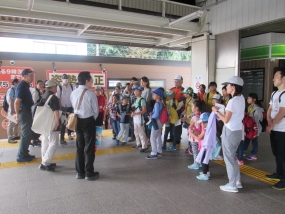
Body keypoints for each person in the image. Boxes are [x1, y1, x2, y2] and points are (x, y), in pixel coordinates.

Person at [212, 76, 245, 193]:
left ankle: (232, 184)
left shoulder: (232, 101)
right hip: (237, 131)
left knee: (229, 159)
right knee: (233, 157)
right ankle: (237, 181)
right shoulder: (242, 98)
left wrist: (216, 111)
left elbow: (226, 120)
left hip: (230, 132)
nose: (226, 87)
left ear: (233, 87)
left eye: (228, 85)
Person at [70, 71, 99, 180]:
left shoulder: (73, 93)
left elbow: (74, 106)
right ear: (87, 81)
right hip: (88, 121)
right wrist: (91, 119)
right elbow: (95, 111)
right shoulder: (90, 93)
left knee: (79, 146)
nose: (92, 82)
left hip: (77, 121)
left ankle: (79, 172)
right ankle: (89, 173)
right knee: (89, 147)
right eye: (91, 80)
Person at [266, 68, 285, 190]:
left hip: (282, 130)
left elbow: (282, 112)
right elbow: (270, 109)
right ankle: (278, 173)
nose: (273, 79)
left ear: (283, 78)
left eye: (276, 76)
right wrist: (269, 122)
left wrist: (272, 125)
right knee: (277, 153)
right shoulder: (274, 94)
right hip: (274, 129)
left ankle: (284, 179)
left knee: (283, 155)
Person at [38, 80, 60, 172]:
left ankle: (45, 161)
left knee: (45, 141)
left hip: (45, 122)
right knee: (54, 143)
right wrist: (57, 122)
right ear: (54, 87)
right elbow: (55, 110)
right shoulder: (53, 97)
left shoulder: (44, 95)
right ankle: (45, 163)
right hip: (51, 122)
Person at [14, 69, 35, 162]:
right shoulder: (22, 86)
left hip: (26, 111)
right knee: (26, 134)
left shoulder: (25, 86)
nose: (32, 78)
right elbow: (17, 102)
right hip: (24, 112)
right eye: (31, 76)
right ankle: (21, 155)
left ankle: (25, 152)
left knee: (27, 133)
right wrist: (17, 114)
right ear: (25, 76)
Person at [243, 93, 263, 161]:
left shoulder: (258, 109)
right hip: (249, 128)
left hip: (255, 128)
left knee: (254, 141)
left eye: (249, 98)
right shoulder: (249, 107)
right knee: (247, 139)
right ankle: (243, 150)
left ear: (254, 99)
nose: (248, 99)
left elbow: (256, 121)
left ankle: (253, 154)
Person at [145, 89, 164, 159]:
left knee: (152, 137)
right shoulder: (161, 103)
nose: (153, 95)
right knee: (158, 136)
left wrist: (151, 117)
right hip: (160, 122)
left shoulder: (157, 104)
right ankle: (159, 151)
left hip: (156, 121)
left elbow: (156, 114)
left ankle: (154, 153)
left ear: (158, 96)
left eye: (154, 94)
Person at [56, 74, 74, 145]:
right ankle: (62, 139)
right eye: (64, 78)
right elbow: (58, 98)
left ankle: (70, 135)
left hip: (70, 107)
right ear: (61, 79)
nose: (65, 79)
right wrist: (61, 107)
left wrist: (73, 107)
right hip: (62, 107)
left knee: (71, 122)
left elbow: (73, 97)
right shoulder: (59, 87)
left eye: (66, 78)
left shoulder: (71, 86)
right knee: (63, 124)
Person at [193, 112, 210, 180]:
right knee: (206, 160)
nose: (201, 124)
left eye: (202, 123)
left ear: (206, 123)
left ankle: (204, 174)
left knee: (204, 161)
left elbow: (199, 138)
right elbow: (201, 135)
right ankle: (207, 172)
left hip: (204, 148)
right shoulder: (209, 129)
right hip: (206, 147)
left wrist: (192, 134)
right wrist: (196, 132)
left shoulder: (205, 129)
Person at [187, 100, 204, 169]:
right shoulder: (202, 115)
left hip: (194, 137)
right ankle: (199, 163)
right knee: (199, 150)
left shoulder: (194, 117)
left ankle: (195, 164)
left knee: (195, 151)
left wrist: (189, 131)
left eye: (192, 106)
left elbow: (190, 127)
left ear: (196, 108)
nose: (191, 107)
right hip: (200, 135)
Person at [131, 86, 148, 152]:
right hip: (135, 118)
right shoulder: (135, 99)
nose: (135, 92)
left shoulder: (142, 100)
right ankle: (138, 143)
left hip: (140, 118)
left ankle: (144, 146)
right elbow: (133, 108)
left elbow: (144, 110)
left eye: (137, 91)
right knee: (136, 132)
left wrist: (135, 113)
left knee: (141, 132)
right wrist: (132, 112)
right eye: (134, 91)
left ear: (140, 92)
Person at [6, 78, 20, 143]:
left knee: (16, 123)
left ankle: (15, 135)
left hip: (16, 109)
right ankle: (10, 137)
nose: (19, 84)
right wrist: (11, 109)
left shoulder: (16, 89)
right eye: (18, 82)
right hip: (12, 109)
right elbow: (10, 100)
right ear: (15, 83)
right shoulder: (11, 90)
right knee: (11, 124)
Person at [31, 80, 43, 147]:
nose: (41, 85)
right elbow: (34, 102)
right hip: (35, 111)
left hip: (38, 111)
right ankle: (33, 140)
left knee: (38, 124)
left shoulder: (39, 91)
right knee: (35, 125)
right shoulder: (35, 92)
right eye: (40, 84)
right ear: (36, 85)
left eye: (42, 84)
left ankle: (36, 138)